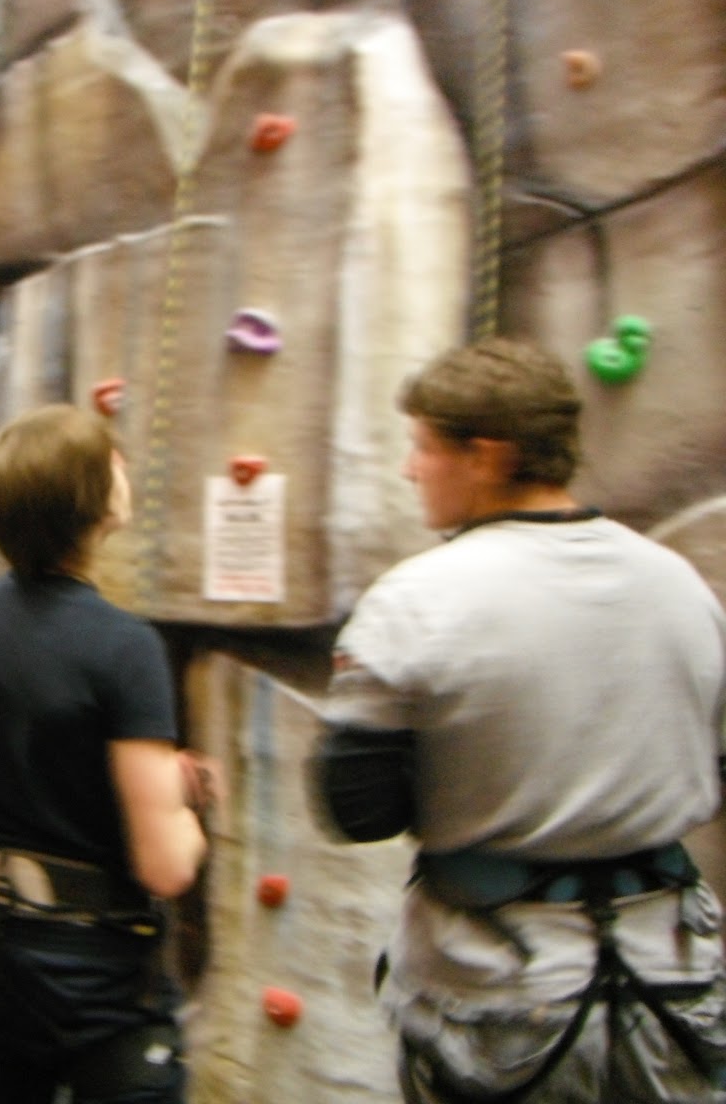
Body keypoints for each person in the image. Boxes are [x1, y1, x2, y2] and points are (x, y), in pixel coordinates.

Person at [311, 338, 726, 1101]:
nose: (409, 469)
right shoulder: (683, 586)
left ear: (487, 456)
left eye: (424, 447)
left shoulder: (416, 599)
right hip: (671, 978)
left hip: (500, 988)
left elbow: (359, 809)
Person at [0, 404, 210, 1104]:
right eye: (111, 459)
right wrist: (183, 809)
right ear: (90, 502)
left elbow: (28, 764)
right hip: (89, 968)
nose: (124, 465)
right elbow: (166, 866)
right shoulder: (124, 646)